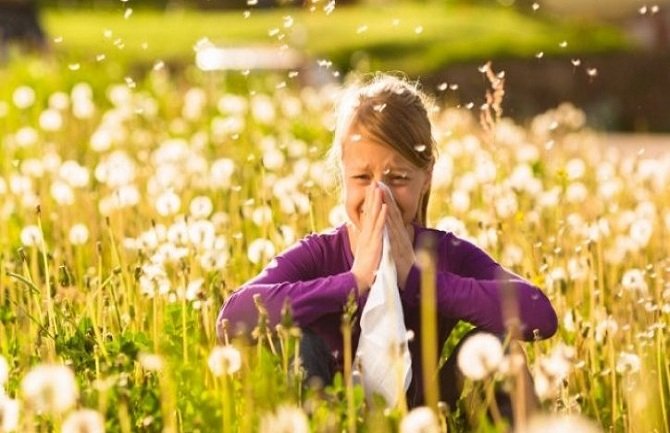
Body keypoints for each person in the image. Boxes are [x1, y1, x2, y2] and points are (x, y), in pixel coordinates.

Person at [216, 73, 558, 413]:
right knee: (296, 344)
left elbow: (539, 315)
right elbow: (232, 320)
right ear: (343, 174)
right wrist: (354, 283)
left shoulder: (443, 253)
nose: (379, 195)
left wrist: (419, 279)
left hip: (425, 415)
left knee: (502, 349)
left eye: (398, 178)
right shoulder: (320, 253)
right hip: (329, 414)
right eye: (363, 178)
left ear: (425, 178)